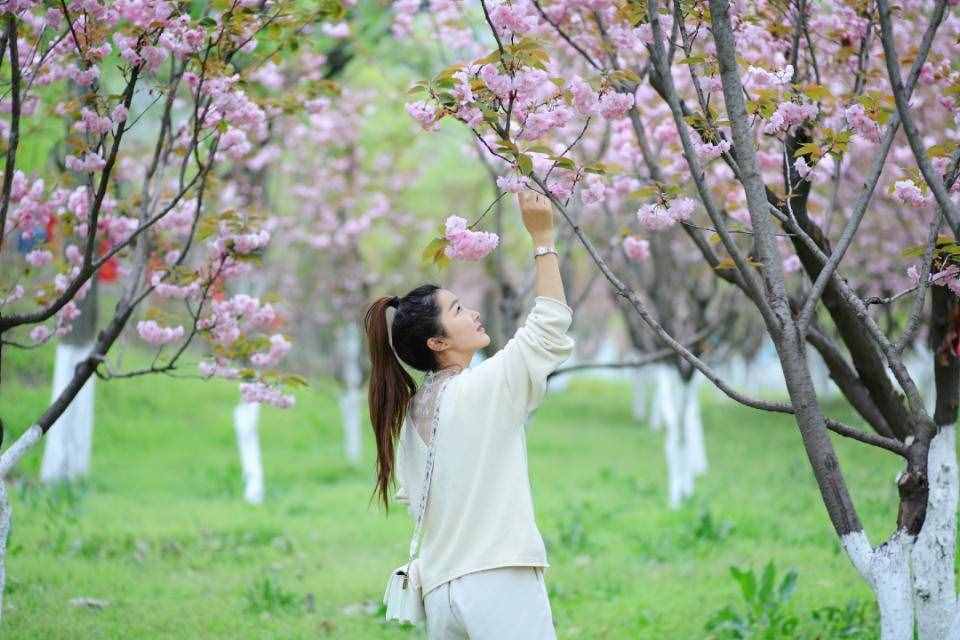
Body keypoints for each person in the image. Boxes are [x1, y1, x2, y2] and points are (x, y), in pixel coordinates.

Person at [363, 190, 574, 639]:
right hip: (500, 578)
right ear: (437, 343)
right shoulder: (482, 388)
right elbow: (550, 325)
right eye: (458, 310)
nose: (473, 313)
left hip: (441, 591)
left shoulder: (410, 417)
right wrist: (543, 238)